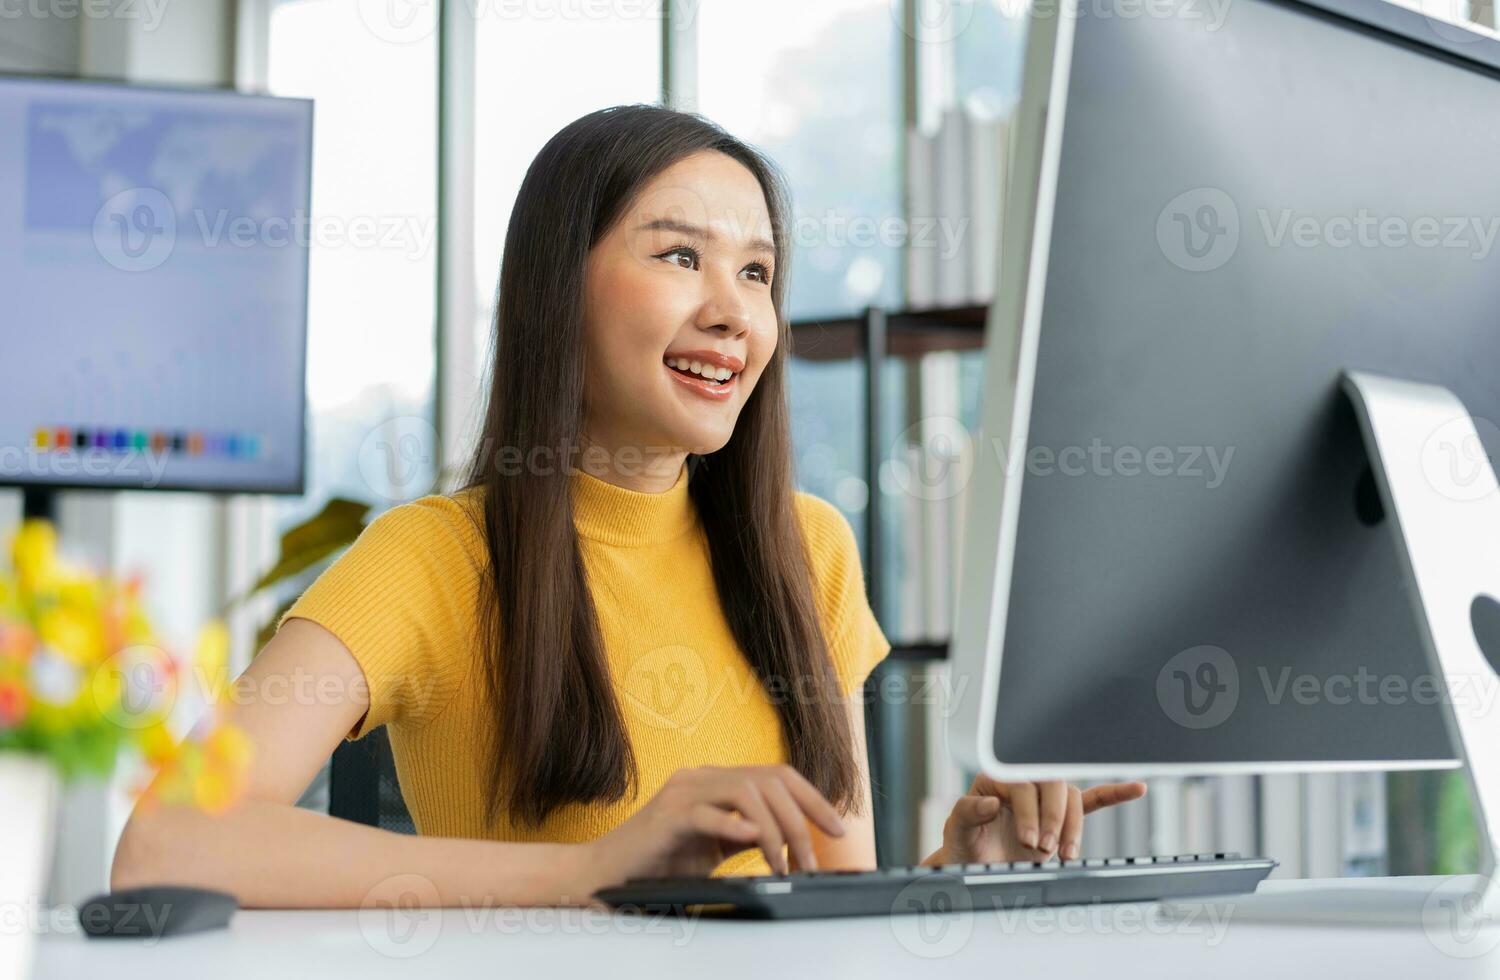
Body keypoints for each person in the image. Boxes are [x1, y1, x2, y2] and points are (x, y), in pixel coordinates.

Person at [112, 104, 1144, 909]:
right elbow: (166, 841)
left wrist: (961, 868)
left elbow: (833, 898)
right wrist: (593, 869)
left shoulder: (809, 547)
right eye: (679, 255)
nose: (733, 309)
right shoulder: (431, 558)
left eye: (757, 272)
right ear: (560, 290)